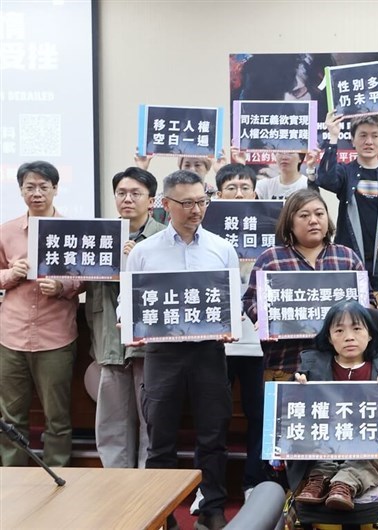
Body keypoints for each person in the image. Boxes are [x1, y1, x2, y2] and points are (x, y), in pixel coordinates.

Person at [125, 170, 239, 530]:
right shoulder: (144, 252)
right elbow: (127, 303)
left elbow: (230, 301)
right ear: (165, 205)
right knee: (160, 438)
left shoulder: (222, 248)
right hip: (162, 354)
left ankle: (213, 509)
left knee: (213, 435)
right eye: (187, 203)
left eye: (201, 202)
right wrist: (128, 325)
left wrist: (230, 326)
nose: (196, 210)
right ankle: (162, 515)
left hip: (208, 352)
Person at [290, 300, 378, 510]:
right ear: (329, 338)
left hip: (370, 448)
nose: (349, 337)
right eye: (339, 330)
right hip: (324, 445)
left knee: (374, 458)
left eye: (357, 328)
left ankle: (344, 484)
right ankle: (319, 480)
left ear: (370, 334)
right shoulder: (310, 369)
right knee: (318, 458)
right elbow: (292, 419)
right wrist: (297, 391)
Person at [242, 189, 374, 384]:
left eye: (319, 214)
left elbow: (369, 300)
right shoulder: (271, 259)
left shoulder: (346, 257)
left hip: (340, 367)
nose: (313, 220)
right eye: (304, 215)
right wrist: (263, 318)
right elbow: (250, 300)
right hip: (286, 364)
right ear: (290, 223)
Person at [0, 161, 84, 467]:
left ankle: (57, 477)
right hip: (11, 336)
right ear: (21, 190)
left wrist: (62, 285)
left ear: (56, 189)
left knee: (57, 418)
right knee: (11, 417)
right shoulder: (6, 231)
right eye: (30, 187)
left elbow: (86, 277)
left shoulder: (73, 231)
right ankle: (12, 479)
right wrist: (11, 275)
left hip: (56, 336)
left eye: (43, 186)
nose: (36, 193)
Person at [86, 167, 165, 469]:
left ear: (152, 200)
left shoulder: (163, 238)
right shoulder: (100, 235)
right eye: (121, 193)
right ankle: (114, 485)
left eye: (136, 193)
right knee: (111, 421)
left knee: (151, 420)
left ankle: (148, 488)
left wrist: (138, 261)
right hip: (110, 339)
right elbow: (79, 277)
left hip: (150, 342)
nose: (127, 199)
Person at [214, 163, 269, 500]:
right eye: (231, 188)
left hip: (259, 342)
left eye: (244, 187)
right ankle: (210, 488)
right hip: (217, 342)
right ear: (218, 194)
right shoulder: (206, 233)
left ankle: (253, 484)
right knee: (215, 418)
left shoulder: (271, 229)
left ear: (255, 192)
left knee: (258, 415)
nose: (238, 193)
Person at [309, 112, 378, 290]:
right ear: (353, 140)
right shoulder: (346, 172)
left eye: (374, 136)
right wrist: (333, 138)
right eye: (362, 135)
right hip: (349, 258)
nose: (368, 141)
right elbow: (325, 179)